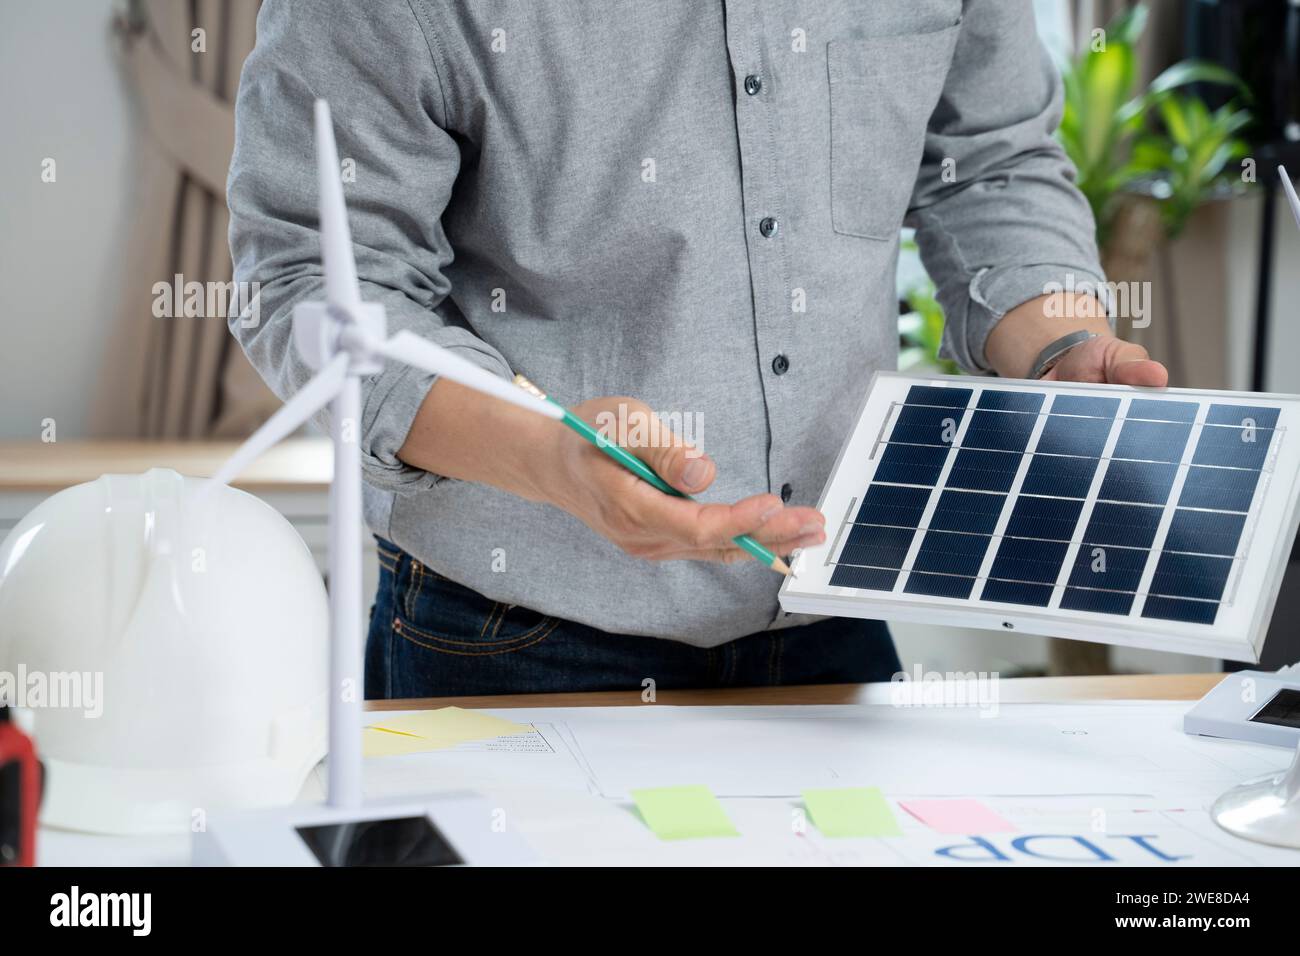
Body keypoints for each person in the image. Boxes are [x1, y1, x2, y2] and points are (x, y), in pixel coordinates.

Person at [228, 0, 1167, 698]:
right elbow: (313, 284)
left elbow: (990, 164)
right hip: (507, 634)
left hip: (828, 614)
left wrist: (1060, 343)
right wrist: (549, 453)